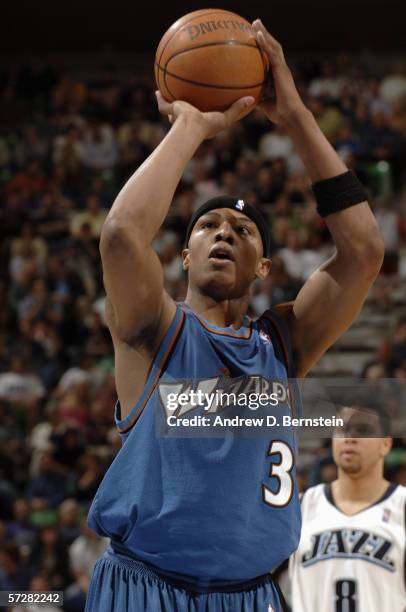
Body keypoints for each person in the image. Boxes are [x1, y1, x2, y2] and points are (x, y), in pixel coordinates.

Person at [85, 20, 384, 612]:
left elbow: (364, 252)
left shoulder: (283, 341)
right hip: (147, 588)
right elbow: (120, 235)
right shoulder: (153, 327)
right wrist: (191, 128)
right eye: (208, 226)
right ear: (184, 255)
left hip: (252, 595)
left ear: (263, 267)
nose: (224, 232)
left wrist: (295, 114)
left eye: (242, 230)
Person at [289, 396, 406, 612]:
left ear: (386, 444)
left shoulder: (402, 505)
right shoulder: (300, 506)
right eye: (341, 429)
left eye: (363, 430)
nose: (349, 437)